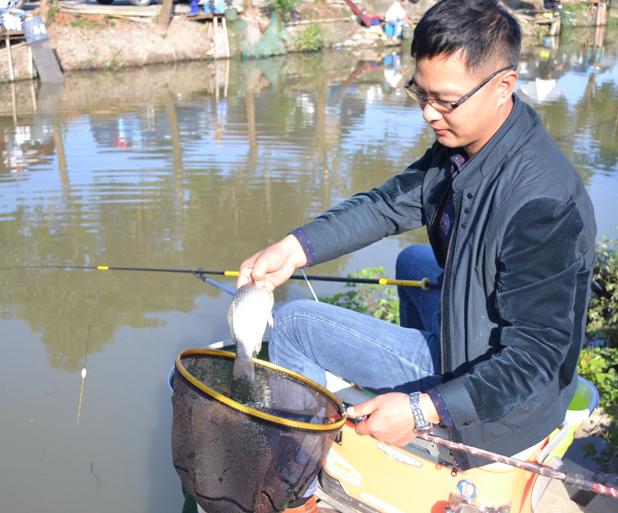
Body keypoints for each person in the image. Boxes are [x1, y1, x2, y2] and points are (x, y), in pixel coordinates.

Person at [236, 0, 596, 511]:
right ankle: (413, 404)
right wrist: (297, 248)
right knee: (415, 265)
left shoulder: (543, 203)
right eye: (420, 94)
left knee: (293, 325)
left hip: (500, 407)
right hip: (475, 351)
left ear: (503, 87)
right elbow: (387, 204)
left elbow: (535, 359)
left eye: (444, 100)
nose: (429, 113)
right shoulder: (468, 146)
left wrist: (423, 409)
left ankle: (299, 491)